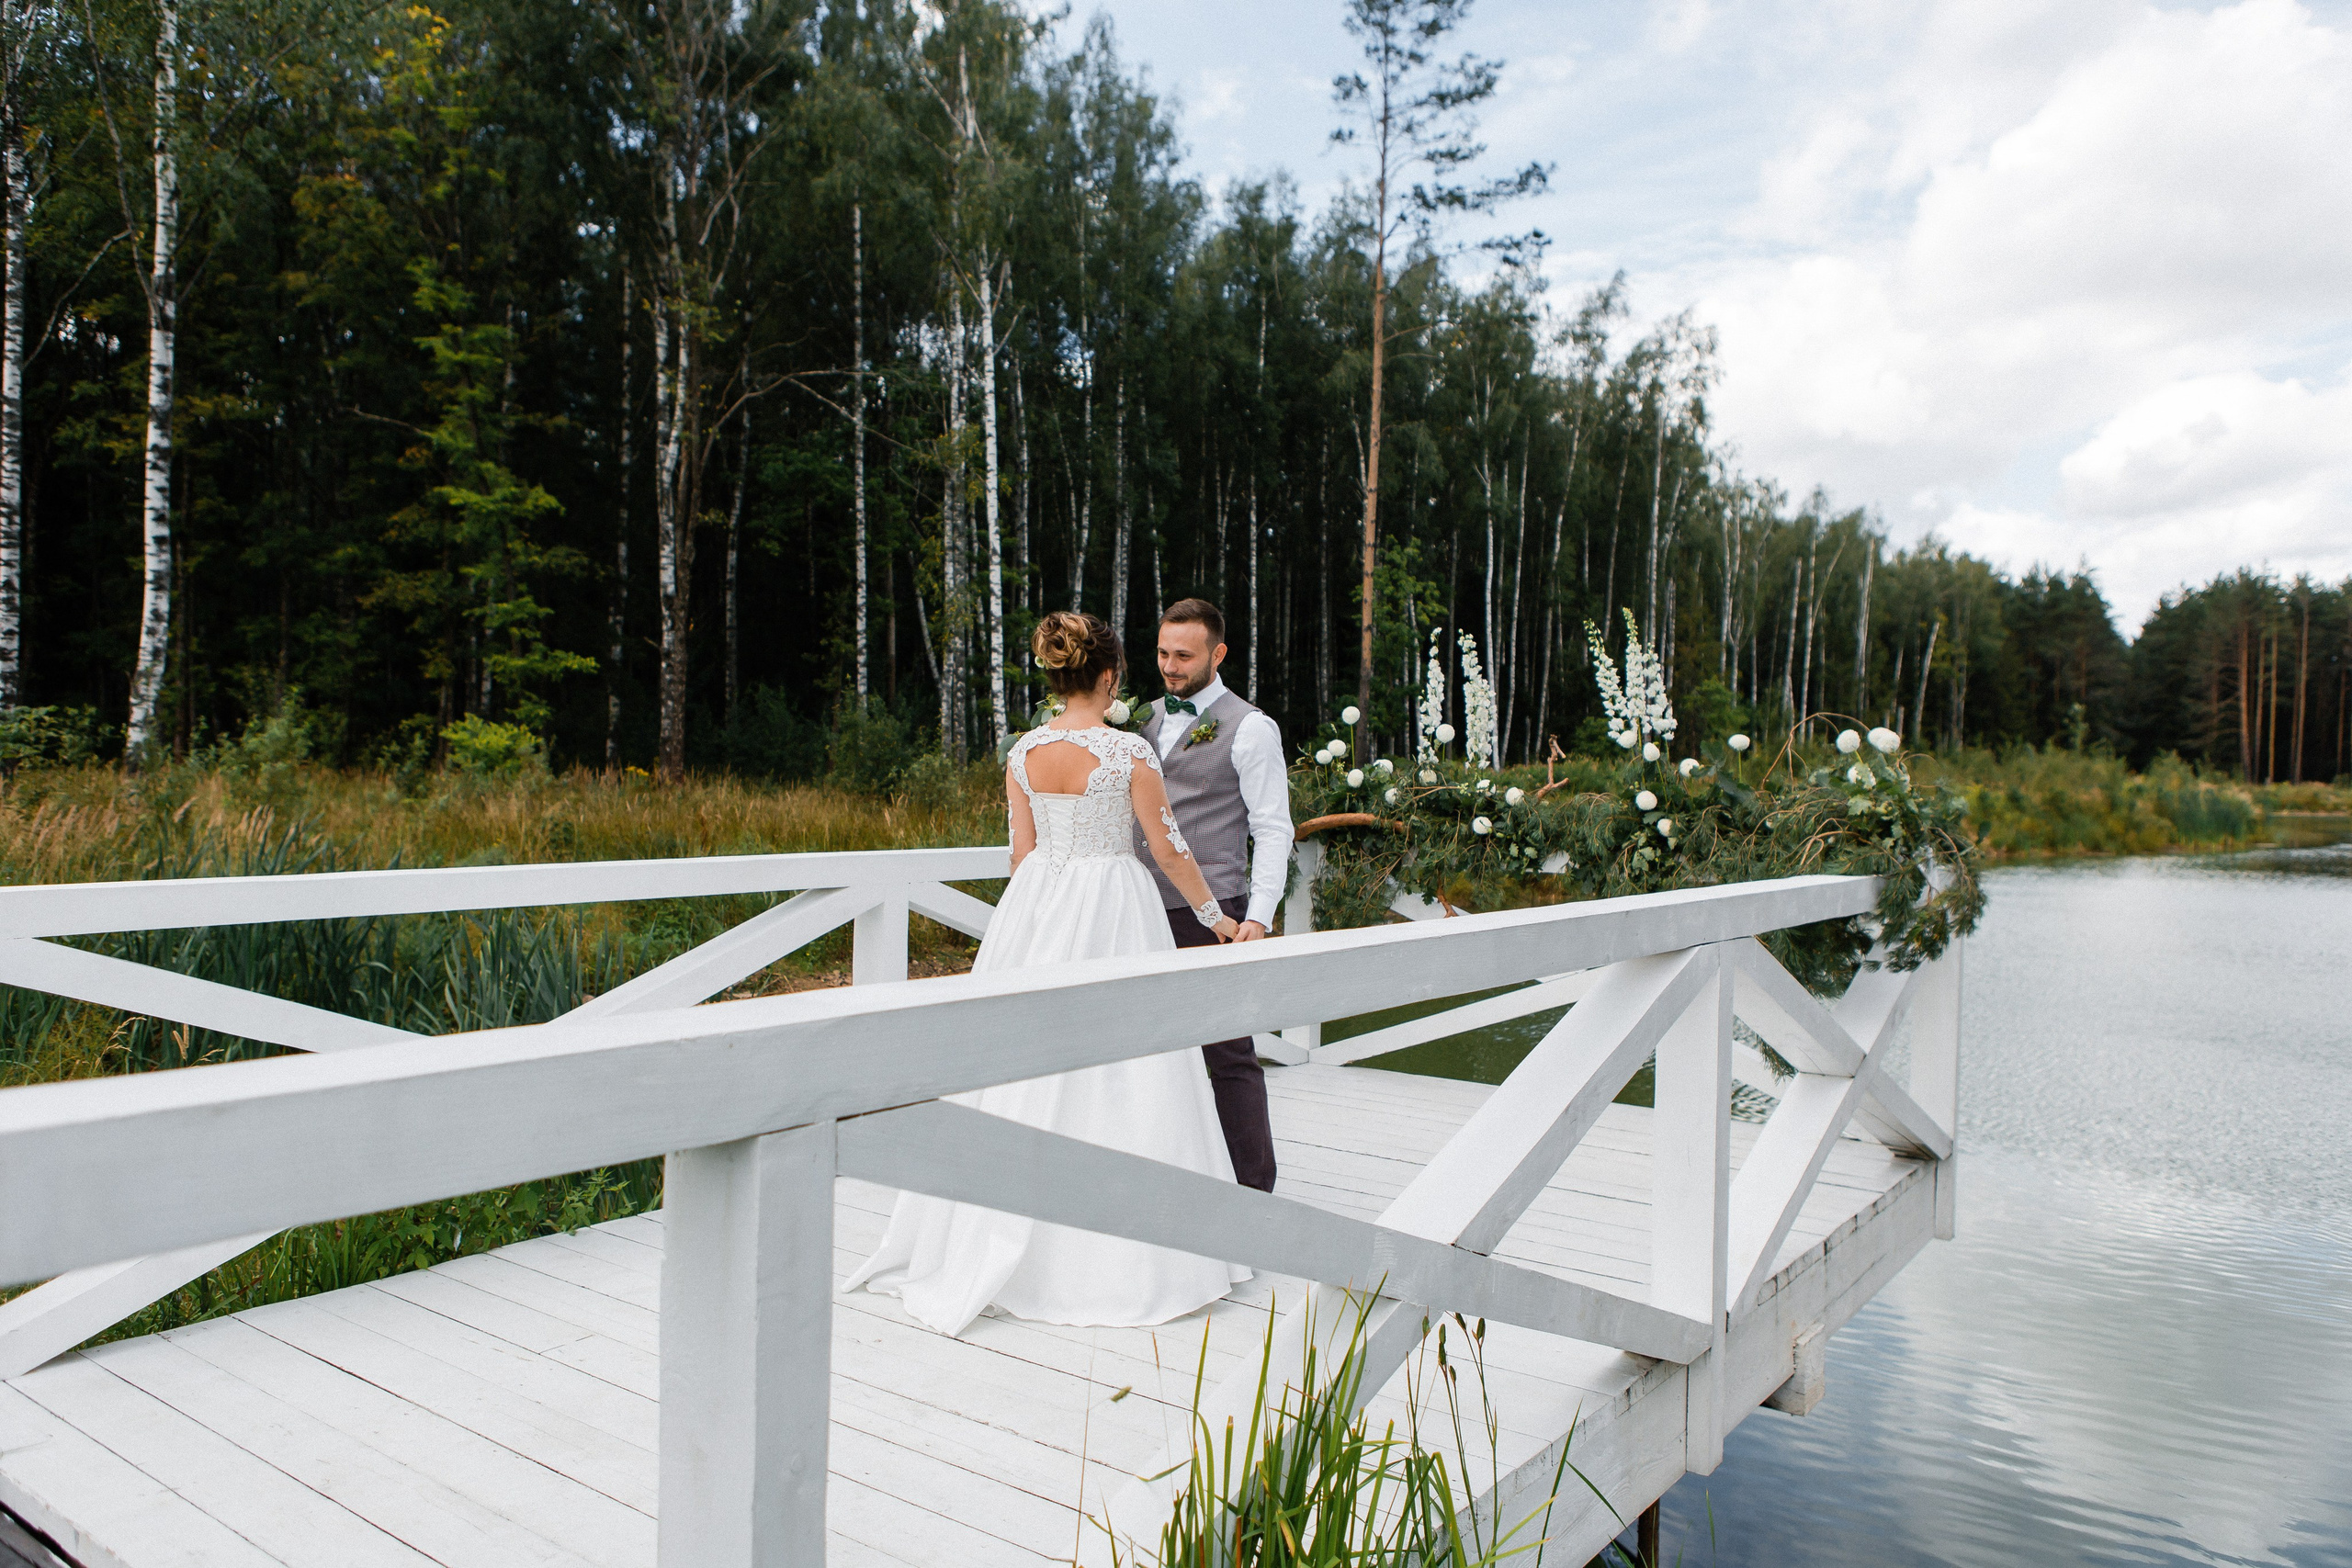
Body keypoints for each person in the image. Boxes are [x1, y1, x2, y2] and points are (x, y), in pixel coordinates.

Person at [842, 611, 1250, 1336]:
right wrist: (1216, 915)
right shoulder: (1130, 754)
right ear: (1108, 676)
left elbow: (1020, 854)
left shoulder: (1023, 751)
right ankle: (1129, 1246)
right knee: (1130, 1063)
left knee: (1016, 1068)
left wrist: (1037, 917)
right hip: (1113, 906)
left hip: (1036, 908)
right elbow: (1170, 849)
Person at [1134, 598, 1291, 1193]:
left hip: (1212, 913)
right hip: (1137, 910)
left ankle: (1255, 1191)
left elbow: (1273, 827)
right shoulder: (1136, 718)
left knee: (1228, 1051)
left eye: (1183, 656)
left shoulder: (1250, 726)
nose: (1169, 667)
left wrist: (1259, 916)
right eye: (1162, 652)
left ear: (1217, 654)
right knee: (1145, 1054)